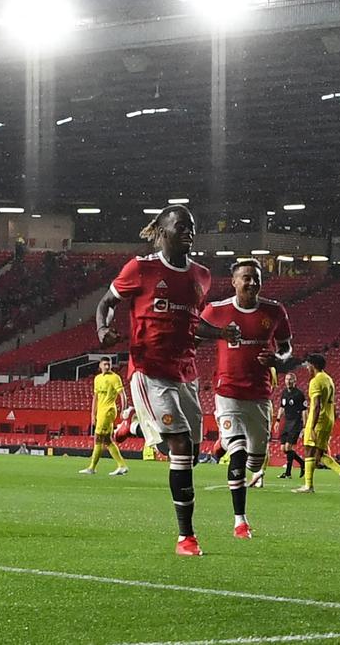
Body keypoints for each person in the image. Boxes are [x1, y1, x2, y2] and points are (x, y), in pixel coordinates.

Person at [96, 205, 239, 557]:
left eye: (192, 226)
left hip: (186, 373)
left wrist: (221, 333)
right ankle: (186, 537)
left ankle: (135, 426)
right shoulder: (140, 269)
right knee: (179, 445)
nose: (188, 231)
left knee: (189, 452)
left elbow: (193, 323)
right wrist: (102, 328)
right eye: (181, 226)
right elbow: (106, 302)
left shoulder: (201, 275)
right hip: (149, 370)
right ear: (162, 232)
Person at [200, 258, 293, 539]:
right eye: (246, 278)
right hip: (228, 393)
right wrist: (218, 334)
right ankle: (240, 521)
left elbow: (286, 347)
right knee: (238, 455)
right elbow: (195, 331)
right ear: (234, 282)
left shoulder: (274, 311)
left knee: (255, 462)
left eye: (256, 278)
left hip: (260, 396)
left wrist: (278, 359)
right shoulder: (217, 310)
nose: (252, 282)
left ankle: (224, 441)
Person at [291, 354, 340, 494]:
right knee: (319, 454)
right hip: (328, 419)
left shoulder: (315, 381)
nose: (307, 367)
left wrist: (311, 426)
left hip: (318, 420)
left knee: (309, 449)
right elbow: (333, 403)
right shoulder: (328, 379)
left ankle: (308, 486)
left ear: (313, 365)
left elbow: (317, 405)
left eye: (308, 365)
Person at [79, 357, 129, 476]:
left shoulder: (115, 378)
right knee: (107, 440)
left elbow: (122, 395)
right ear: (100, 365)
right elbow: (95, 398)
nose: (107, 366)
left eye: (109, 364)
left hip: (108, 411)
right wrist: (93, 414)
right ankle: (122, 465)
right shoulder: (97, 378)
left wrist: (123, 410)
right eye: (105, 364)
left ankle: (92, 468)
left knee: (98, 438)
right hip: (101, 412)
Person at [274, 373, 307, 479]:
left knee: (288, 447)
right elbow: (282, 407)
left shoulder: (299, 394)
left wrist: (304, 426)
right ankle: (302, 463)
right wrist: (278, 420)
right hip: (287, 422)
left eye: (290, 379)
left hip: (296, 422)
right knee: (283, 448)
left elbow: (304, 410)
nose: (288, 381)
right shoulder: (284, 393)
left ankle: (288, 473)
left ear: (295, 381)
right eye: (287, 379)